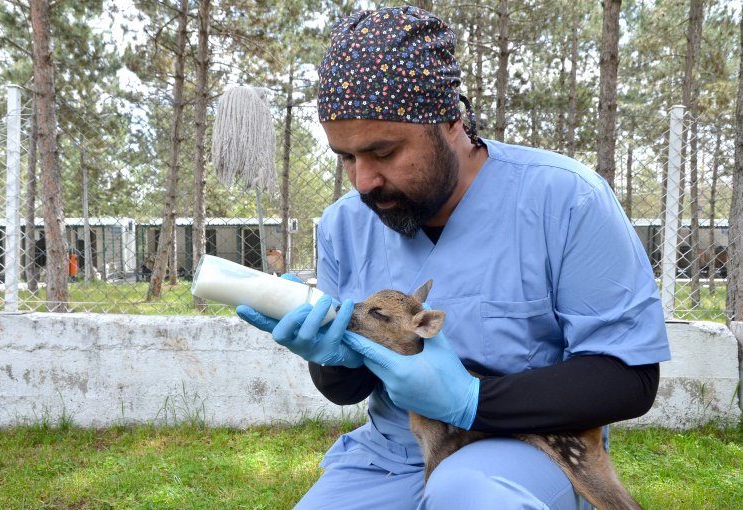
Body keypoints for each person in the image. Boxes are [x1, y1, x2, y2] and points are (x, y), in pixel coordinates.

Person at [237, 6, 670, 510]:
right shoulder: (343, 224)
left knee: (468, 496)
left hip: (521, 447)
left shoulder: (566, 199)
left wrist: (470, 400)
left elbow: (627, 379)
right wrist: (331, 360)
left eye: (383, 152)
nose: (363, 182)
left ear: (451, 120)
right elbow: (348, 390)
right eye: (347, 158)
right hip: (396, 452)